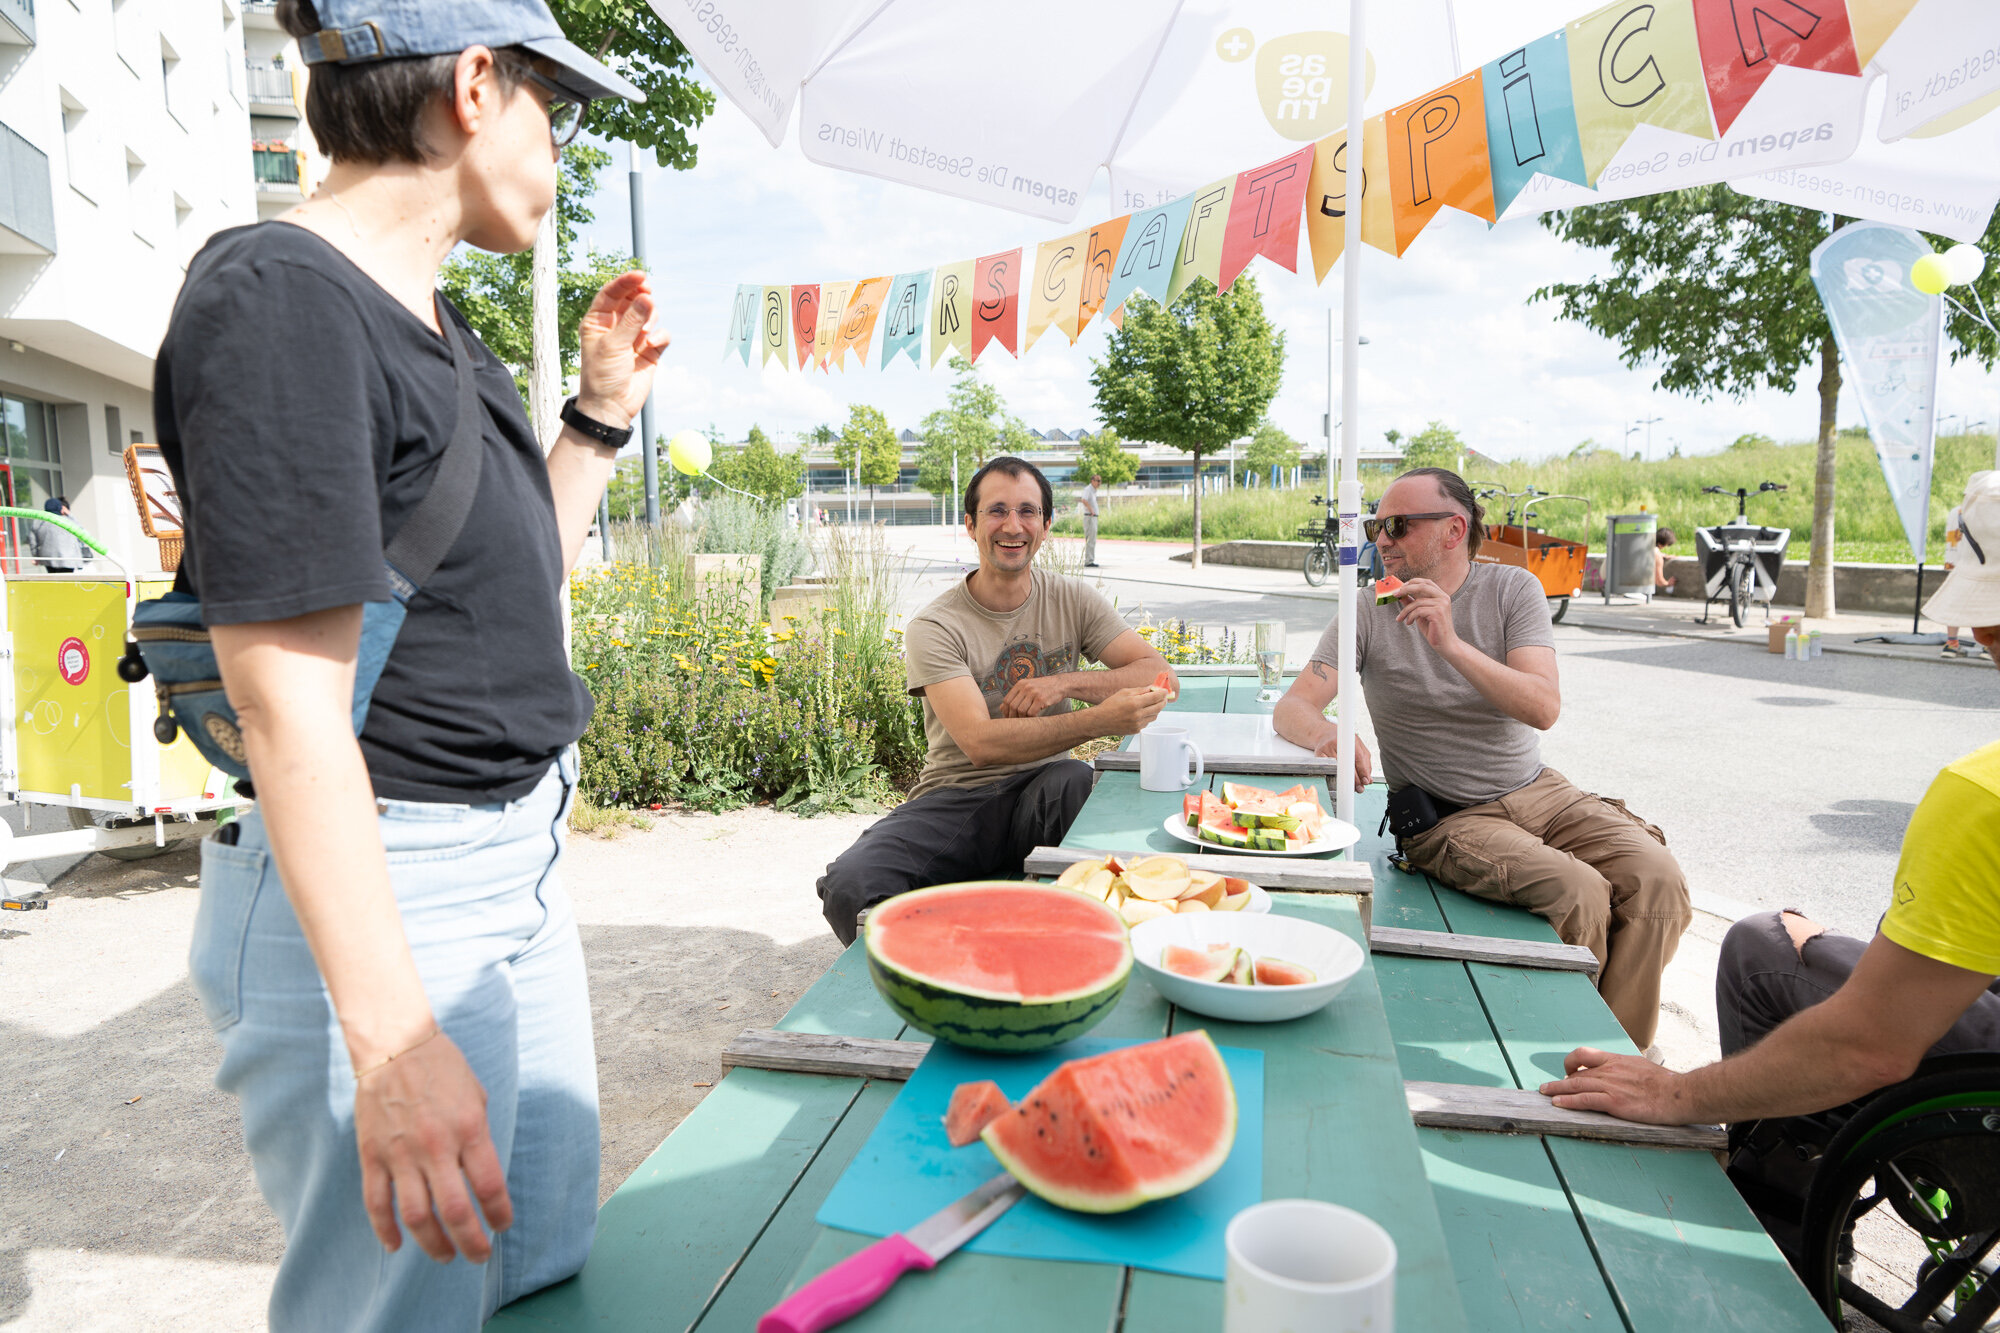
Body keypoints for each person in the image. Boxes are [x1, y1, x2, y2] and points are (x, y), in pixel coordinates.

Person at [157, 5, 665, 1327]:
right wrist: (390, 1043)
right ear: (477, 88)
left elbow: (510, 584)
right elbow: (287, 708)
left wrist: (600, 415)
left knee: (533, 1267)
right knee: (400, 1312)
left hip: (516, 860)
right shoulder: (278, 301)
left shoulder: (435, 322)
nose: (565, 159)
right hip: (399, 878)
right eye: (561, 116)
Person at [1539, 470, 2000, 1258]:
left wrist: (1675, 1092)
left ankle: (1774, 1230)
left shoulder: (1980, 795)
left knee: (1760, 948)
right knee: (1792, 936)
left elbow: (1872, 1044)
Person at [1273, 467, 1691, 1050]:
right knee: (1580, 893)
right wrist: (1330, 732)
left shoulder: (1513, 590)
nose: (1380, 540)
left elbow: (1542, 707)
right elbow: (1293, 707)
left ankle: (1619, 1054)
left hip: (1539, 789)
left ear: (1453, 530)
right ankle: (1584, 1052)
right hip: (1447, 816)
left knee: (1659, 881)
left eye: (1395, 525)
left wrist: (1449, 642)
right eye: (1376, 525)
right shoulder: (1367, 609)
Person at [817, 456, 1173, 943]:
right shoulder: (936, 625)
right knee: (851, 886)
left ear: (1046, 526)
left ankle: (1068, 945)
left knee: (1074, 779)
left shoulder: (1072, 598)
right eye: (996, 511)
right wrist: (1099, 721)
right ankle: (948, 971)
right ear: (970, 524)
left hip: (1045, 795)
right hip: (959, 800)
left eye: (1028, 511)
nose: (1013, 525)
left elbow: (1157, 671)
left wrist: (1063, 684)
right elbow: (980, 743)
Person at [28, 496, 85, 573]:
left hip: (48, 558)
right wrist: (70, 514)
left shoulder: (38, 523)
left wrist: (36, 556)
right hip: (68, 559)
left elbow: (32, 541)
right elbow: (82, 534)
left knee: (53, 581)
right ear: (60, 508)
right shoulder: (68, 522)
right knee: (66, 582)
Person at [1079, 471, 1102, 567]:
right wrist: (1091, 510)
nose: (1099, 483)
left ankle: (1090, 559)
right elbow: (1083, 500)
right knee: (1090, 539)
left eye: (1100, 481)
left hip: (1093, 517)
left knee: (1092, 539)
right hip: (1089, 516)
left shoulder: (1093, 491)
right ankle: (1088, 561)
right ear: (1092, 481)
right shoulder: (1088, 489)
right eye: (1098, 480)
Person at [1653, 526, 1676, 595]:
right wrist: (1668, 583)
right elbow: (1659, 581)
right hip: (1640, 591)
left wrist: (1662, 554)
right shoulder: (1657, 556)